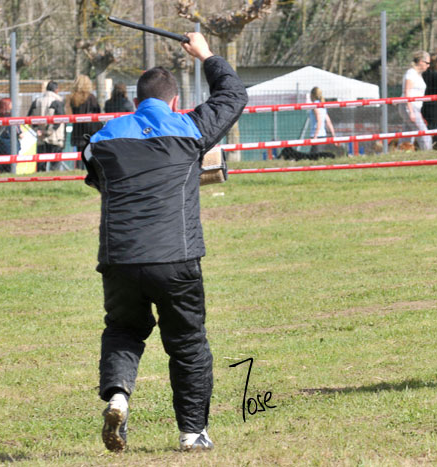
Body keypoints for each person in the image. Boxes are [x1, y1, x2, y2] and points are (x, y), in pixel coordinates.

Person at [82, 32, 247, 453]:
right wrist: (205, 54)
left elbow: (98, 178)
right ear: (174, 102)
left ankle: (118, 398)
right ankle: (192, 433)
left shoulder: (101, 138)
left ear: (136, 101)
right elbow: (233, 95)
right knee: (187, 343)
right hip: (176, 256)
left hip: (120, 258)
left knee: (123, 330)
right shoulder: (190, 127)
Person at [27, 80, 65, 171]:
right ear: (56, 90)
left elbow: (29, 118)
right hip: (55, 137)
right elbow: (60, 119)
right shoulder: (57, 101)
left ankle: (40, 176)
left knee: (41, 163)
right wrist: (49, 131)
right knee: (55, 165)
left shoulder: (37, 101)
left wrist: (37, 130)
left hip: (41, 137)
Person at [66, 75, 102, 167]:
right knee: (89, 156)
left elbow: (69, 113)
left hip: (77, 131)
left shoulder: (72, 98)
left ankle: (78, 169)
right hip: (89, 131)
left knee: (79, 156)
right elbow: (97, 112)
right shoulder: (91, 98)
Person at [400, 50, 432, 151]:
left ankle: (400, 154)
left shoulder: (418, 74)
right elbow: (407, 92)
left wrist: (417, 112)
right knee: (424, 134)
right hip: (409, 106)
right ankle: (428, 154)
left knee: (407, 134)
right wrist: (411, 111)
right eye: (427, 63)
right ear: (421, 62)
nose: (428, 66)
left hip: (415, 108)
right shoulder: (411, 73)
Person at [0, 98, 20, 174]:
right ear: (7, 105)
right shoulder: (12, 118)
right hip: (10, 146)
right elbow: (19, 133)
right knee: (11, 168)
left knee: (2, 168)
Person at [421, 54, 437, 149]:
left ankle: (431, 145)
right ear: (435, 63)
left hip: (426, 105)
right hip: (435, 106)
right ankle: (434, 146)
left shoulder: (424, 74)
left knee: (429, 127)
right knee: (434, 128)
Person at [308, 86, 336, 154]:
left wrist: (315, 136)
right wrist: (334, 136)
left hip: (316, 135)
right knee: (319, 156)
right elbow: (328, 122)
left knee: (314, 157)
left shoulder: (315, 105)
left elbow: (319, 121)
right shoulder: (322, 105)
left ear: (312, 95)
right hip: (323, 135)